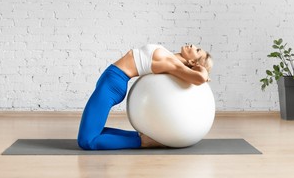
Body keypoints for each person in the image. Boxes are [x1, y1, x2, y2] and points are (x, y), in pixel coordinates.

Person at [77, 43, 213, 150]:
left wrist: (203, 71)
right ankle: (144, 138)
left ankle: (142, 142)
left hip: (112, 85)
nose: (193, 46)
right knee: (94, 131)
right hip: (110, 81)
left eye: (197, 50)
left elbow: (200, 77)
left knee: (87, 142)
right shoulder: (171, 57)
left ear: (193, 62)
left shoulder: (172, 64)